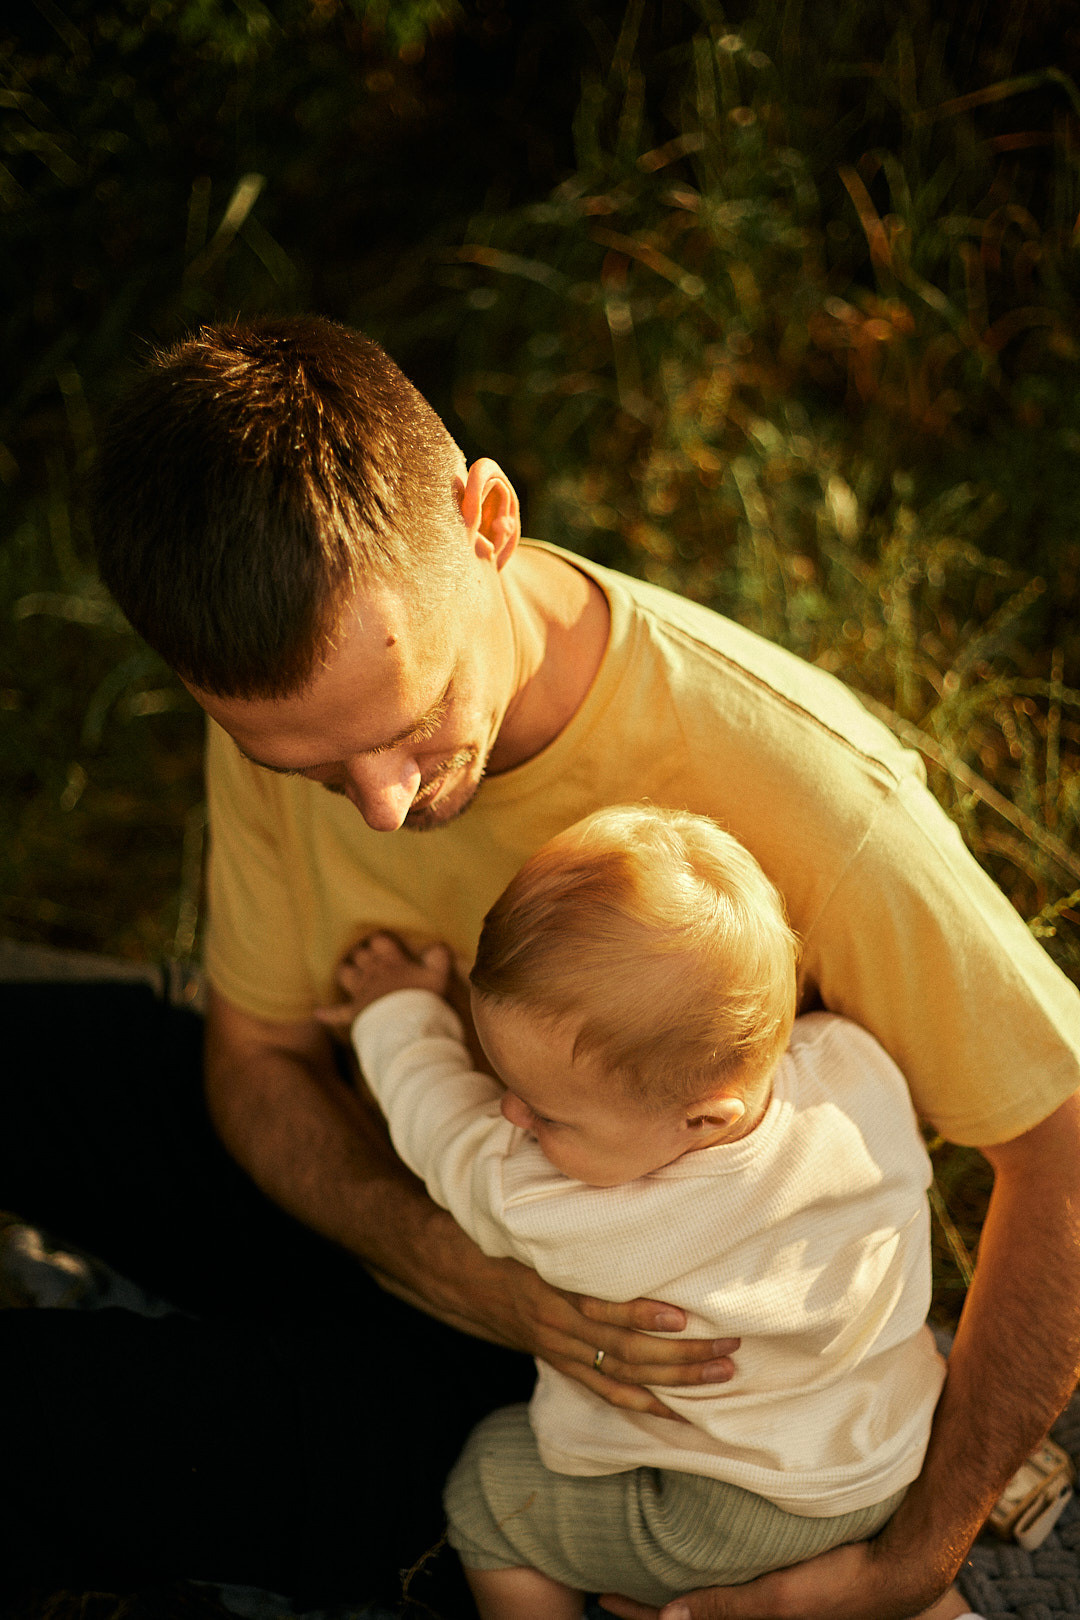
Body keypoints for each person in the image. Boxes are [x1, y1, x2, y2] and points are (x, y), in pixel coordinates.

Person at [5, 311, 1075, 1619]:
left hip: (599, 1404)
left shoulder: (804, 788)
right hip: (408, 1202)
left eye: (409, 731)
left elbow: (1065, 1143)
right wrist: (449, 1259)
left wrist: (918, 1552)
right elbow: (257, 1052)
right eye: (310, 769)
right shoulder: (302, 684)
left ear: (490, 523)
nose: (382, 806)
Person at [321, 804, 982, 1620]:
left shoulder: (567, 1209)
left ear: (702, 1121)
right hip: (894, 1456)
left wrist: (394, 1012)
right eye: (509, 1088)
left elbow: (443, 1133)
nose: (510, 1116)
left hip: (732, 1513)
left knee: (493, 1487)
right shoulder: (857, 1071)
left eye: (547, 1115)